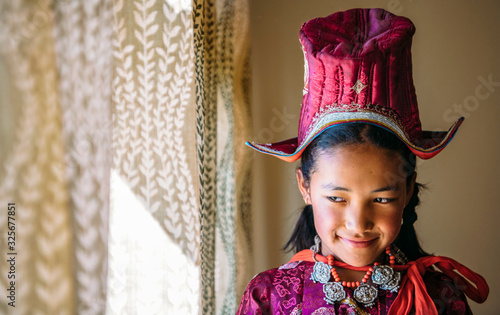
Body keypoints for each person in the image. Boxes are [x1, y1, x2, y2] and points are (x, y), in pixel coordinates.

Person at [237, 8, 489, 315]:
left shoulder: (439, 297)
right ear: (305, 186)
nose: (358, 223)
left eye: (382, 198)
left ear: (408, 189)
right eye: (336, 198)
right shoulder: (269, 296)